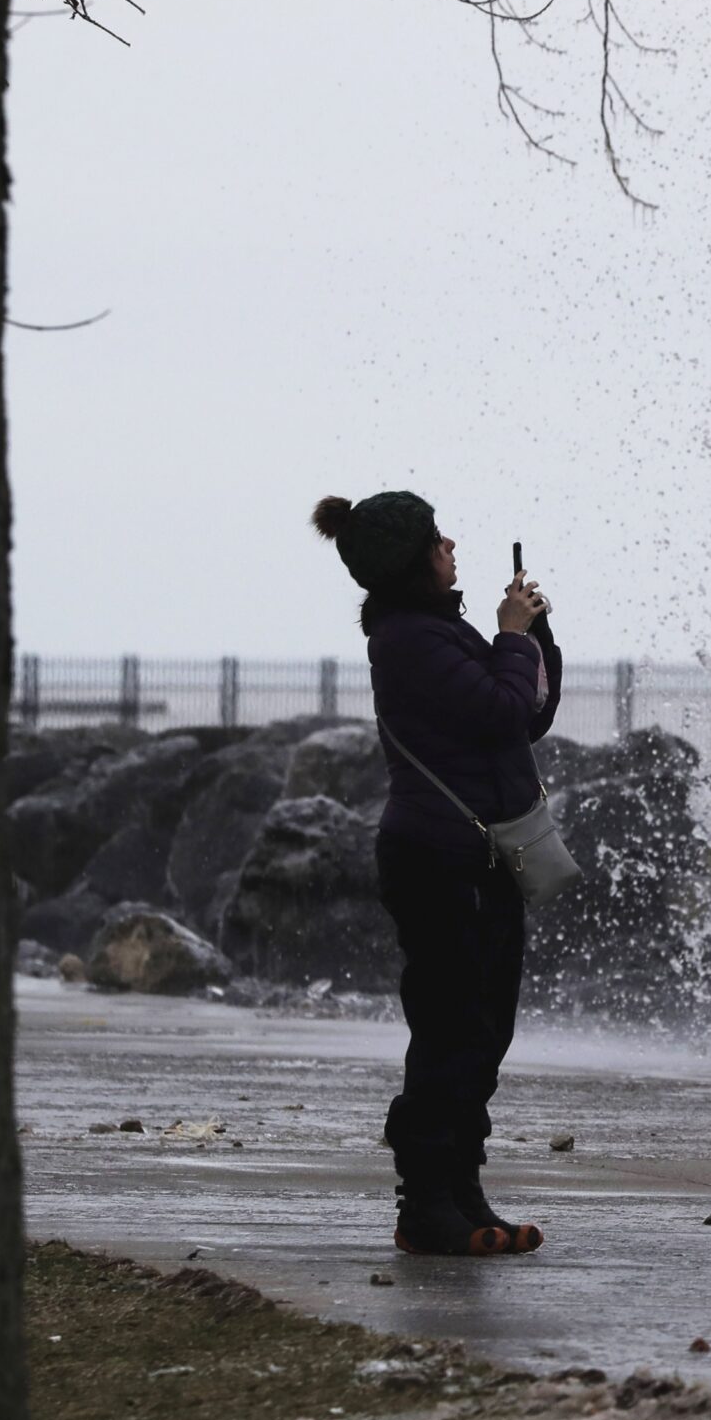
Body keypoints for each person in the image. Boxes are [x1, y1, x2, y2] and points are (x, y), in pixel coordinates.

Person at [310, 491, 564, 1256]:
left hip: (480, 860)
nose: (450, 543)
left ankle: (461, 1191)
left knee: (483, 1032)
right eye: (436, 538)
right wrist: (512, 636)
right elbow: (499, 711)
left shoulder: (436, 630)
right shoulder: (409, 640)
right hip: (439, 862)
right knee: (452, 1034)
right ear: (413, 560)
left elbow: (528, 712)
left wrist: (533, 629)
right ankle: (426, 1204)